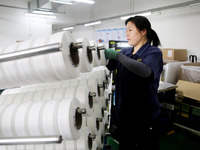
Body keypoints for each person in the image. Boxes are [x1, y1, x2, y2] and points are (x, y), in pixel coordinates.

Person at [105, 16, 163, 150]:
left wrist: (117, 56)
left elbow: (145, 71)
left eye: (130, 30)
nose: (127, 34)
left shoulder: (153, 52)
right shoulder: (126, 52)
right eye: (126, 30)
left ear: (143, 31)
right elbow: (107, 66)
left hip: (144, 118)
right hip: (124, 116)